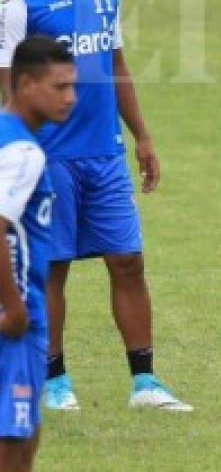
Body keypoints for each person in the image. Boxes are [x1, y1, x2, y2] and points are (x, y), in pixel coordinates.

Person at [0, 0, 190, 412]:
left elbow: (115, 63)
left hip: (103, 154)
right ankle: (54, 383)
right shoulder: (20, 3)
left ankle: (145, 382)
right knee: (52, 267)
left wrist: (141, 135)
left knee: (127, 261)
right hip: (50, 158)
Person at [0, 36, 77, 471]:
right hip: (19, 309)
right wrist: (13, 308)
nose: (71, 98)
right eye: (60, 87)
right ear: (26, 85)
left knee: (26, 430)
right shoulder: (23, 153)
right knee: (14, 433)